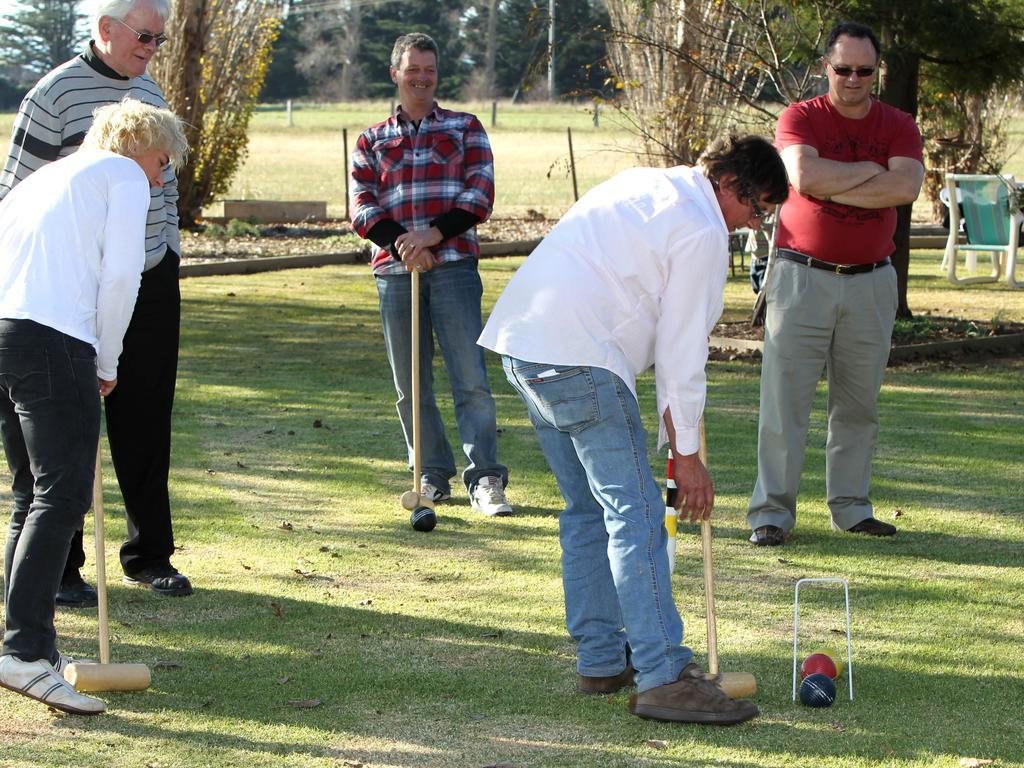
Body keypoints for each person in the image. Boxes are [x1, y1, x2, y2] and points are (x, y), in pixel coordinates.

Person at [479, 135, 788, 724]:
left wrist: (680, 443)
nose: (756, 223)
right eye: (758, 208)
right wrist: (687, 455)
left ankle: (601, 657)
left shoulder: (649, 183)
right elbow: (681, 354)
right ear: (732, 186)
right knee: (639, 513)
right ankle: (664, 674)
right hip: (579, 356)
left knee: (586, 510)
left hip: (524, 347)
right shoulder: (701, 228)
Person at [0, 0, 193, 600]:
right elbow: (18, 189)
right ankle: (59, 566)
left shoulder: (152, 93)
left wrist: (169, 249)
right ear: (105, 29)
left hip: (151, 274)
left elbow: (165, 189)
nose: (152, 48)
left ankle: (148, 554)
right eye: (144, 36)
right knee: (62, 424)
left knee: (145, 417)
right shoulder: (53, 94)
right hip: (73, 287)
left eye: (160, 39)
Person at [0, 99, 188, 716]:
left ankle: (22, 644)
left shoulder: (42, 178)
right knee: (62, 495)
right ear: (138, 144)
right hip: (54, 338)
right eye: (163, 162)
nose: (160, 178)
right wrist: (107, 360)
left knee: (32, 493)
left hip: (6, 335)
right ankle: (26, 653)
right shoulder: (123, 174)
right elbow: (122, 275)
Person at [746, 21, 924, 547]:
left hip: (871, 283)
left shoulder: (898, 123)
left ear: (876, 72)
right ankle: (771, 514)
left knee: (858, 404)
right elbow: (804, 177)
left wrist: (840, 176)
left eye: (864, 71)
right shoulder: (800, 116)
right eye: (843, 69)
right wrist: (873, 173)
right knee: (785, 403)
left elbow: (906, 186)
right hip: (802, 277)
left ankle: (851, 508)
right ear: (826, 67)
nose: (852, 79)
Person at [350, 32, 512, 518]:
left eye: (429, 70)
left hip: (455, 268)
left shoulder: (465, 128)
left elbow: (479, 194)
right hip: (395, 273)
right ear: (395, 73)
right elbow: (360, 206)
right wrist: (405, 242)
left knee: (471, 380)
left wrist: (433, 237)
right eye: (412, 69)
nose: (421, 78)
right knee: (410, 385)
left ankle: (485, 479)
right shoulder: (372, 140)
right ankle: (430, 474)